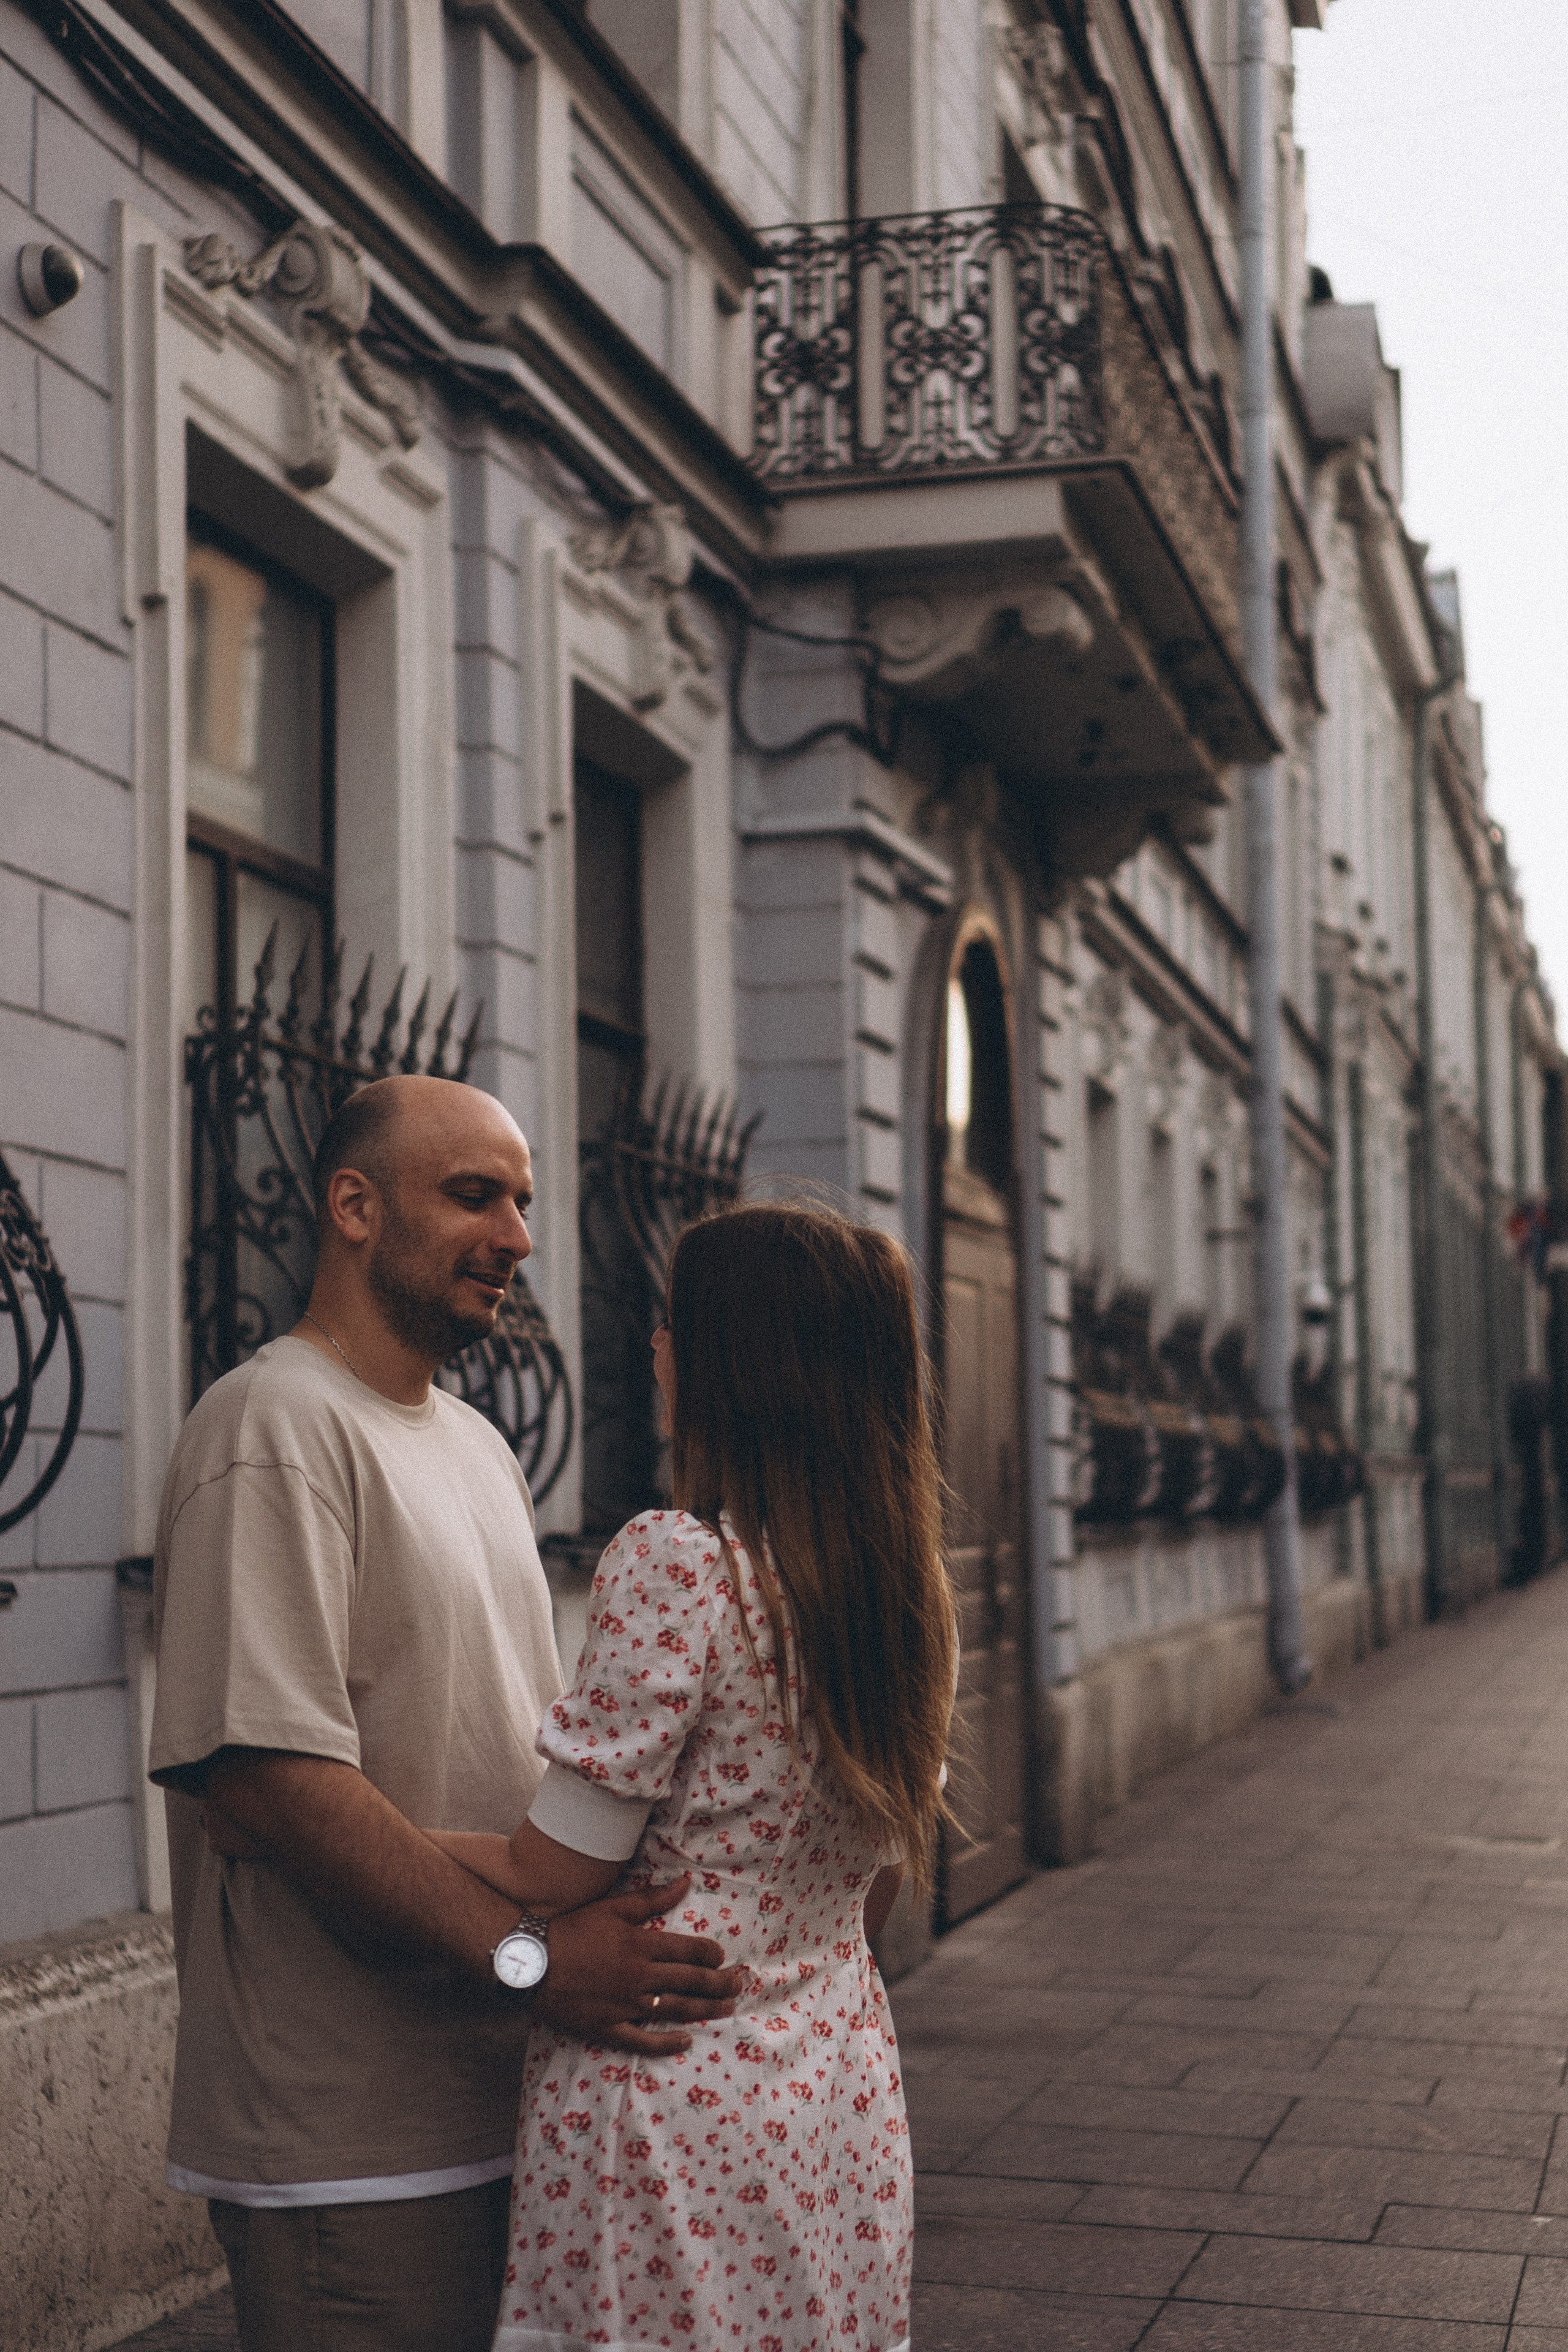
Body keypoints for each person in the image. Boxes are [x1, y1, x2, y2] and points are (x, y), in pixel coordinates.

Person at [149, 1074, 744, 2352]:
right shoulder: (272, 1427)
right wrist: (540, 1965)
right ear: (352, 1208)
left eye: (523, 1202)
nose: (519, 1237)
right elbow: (272, 1788)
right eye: (474, 1195)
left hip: (509, 2095)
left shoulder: (476, 1445)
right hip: (349, 2141)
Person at [424, 1199, 958, 2352]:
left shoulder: (683, 1567)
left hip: (671, 2107)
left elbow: (549, 1872)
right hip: (836, 2100)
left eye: (674, 1324)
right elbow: (865, 1890)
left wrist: (356, 1821)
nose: (656, 1348)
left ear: (737, 1367)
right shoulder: (902, 1596)